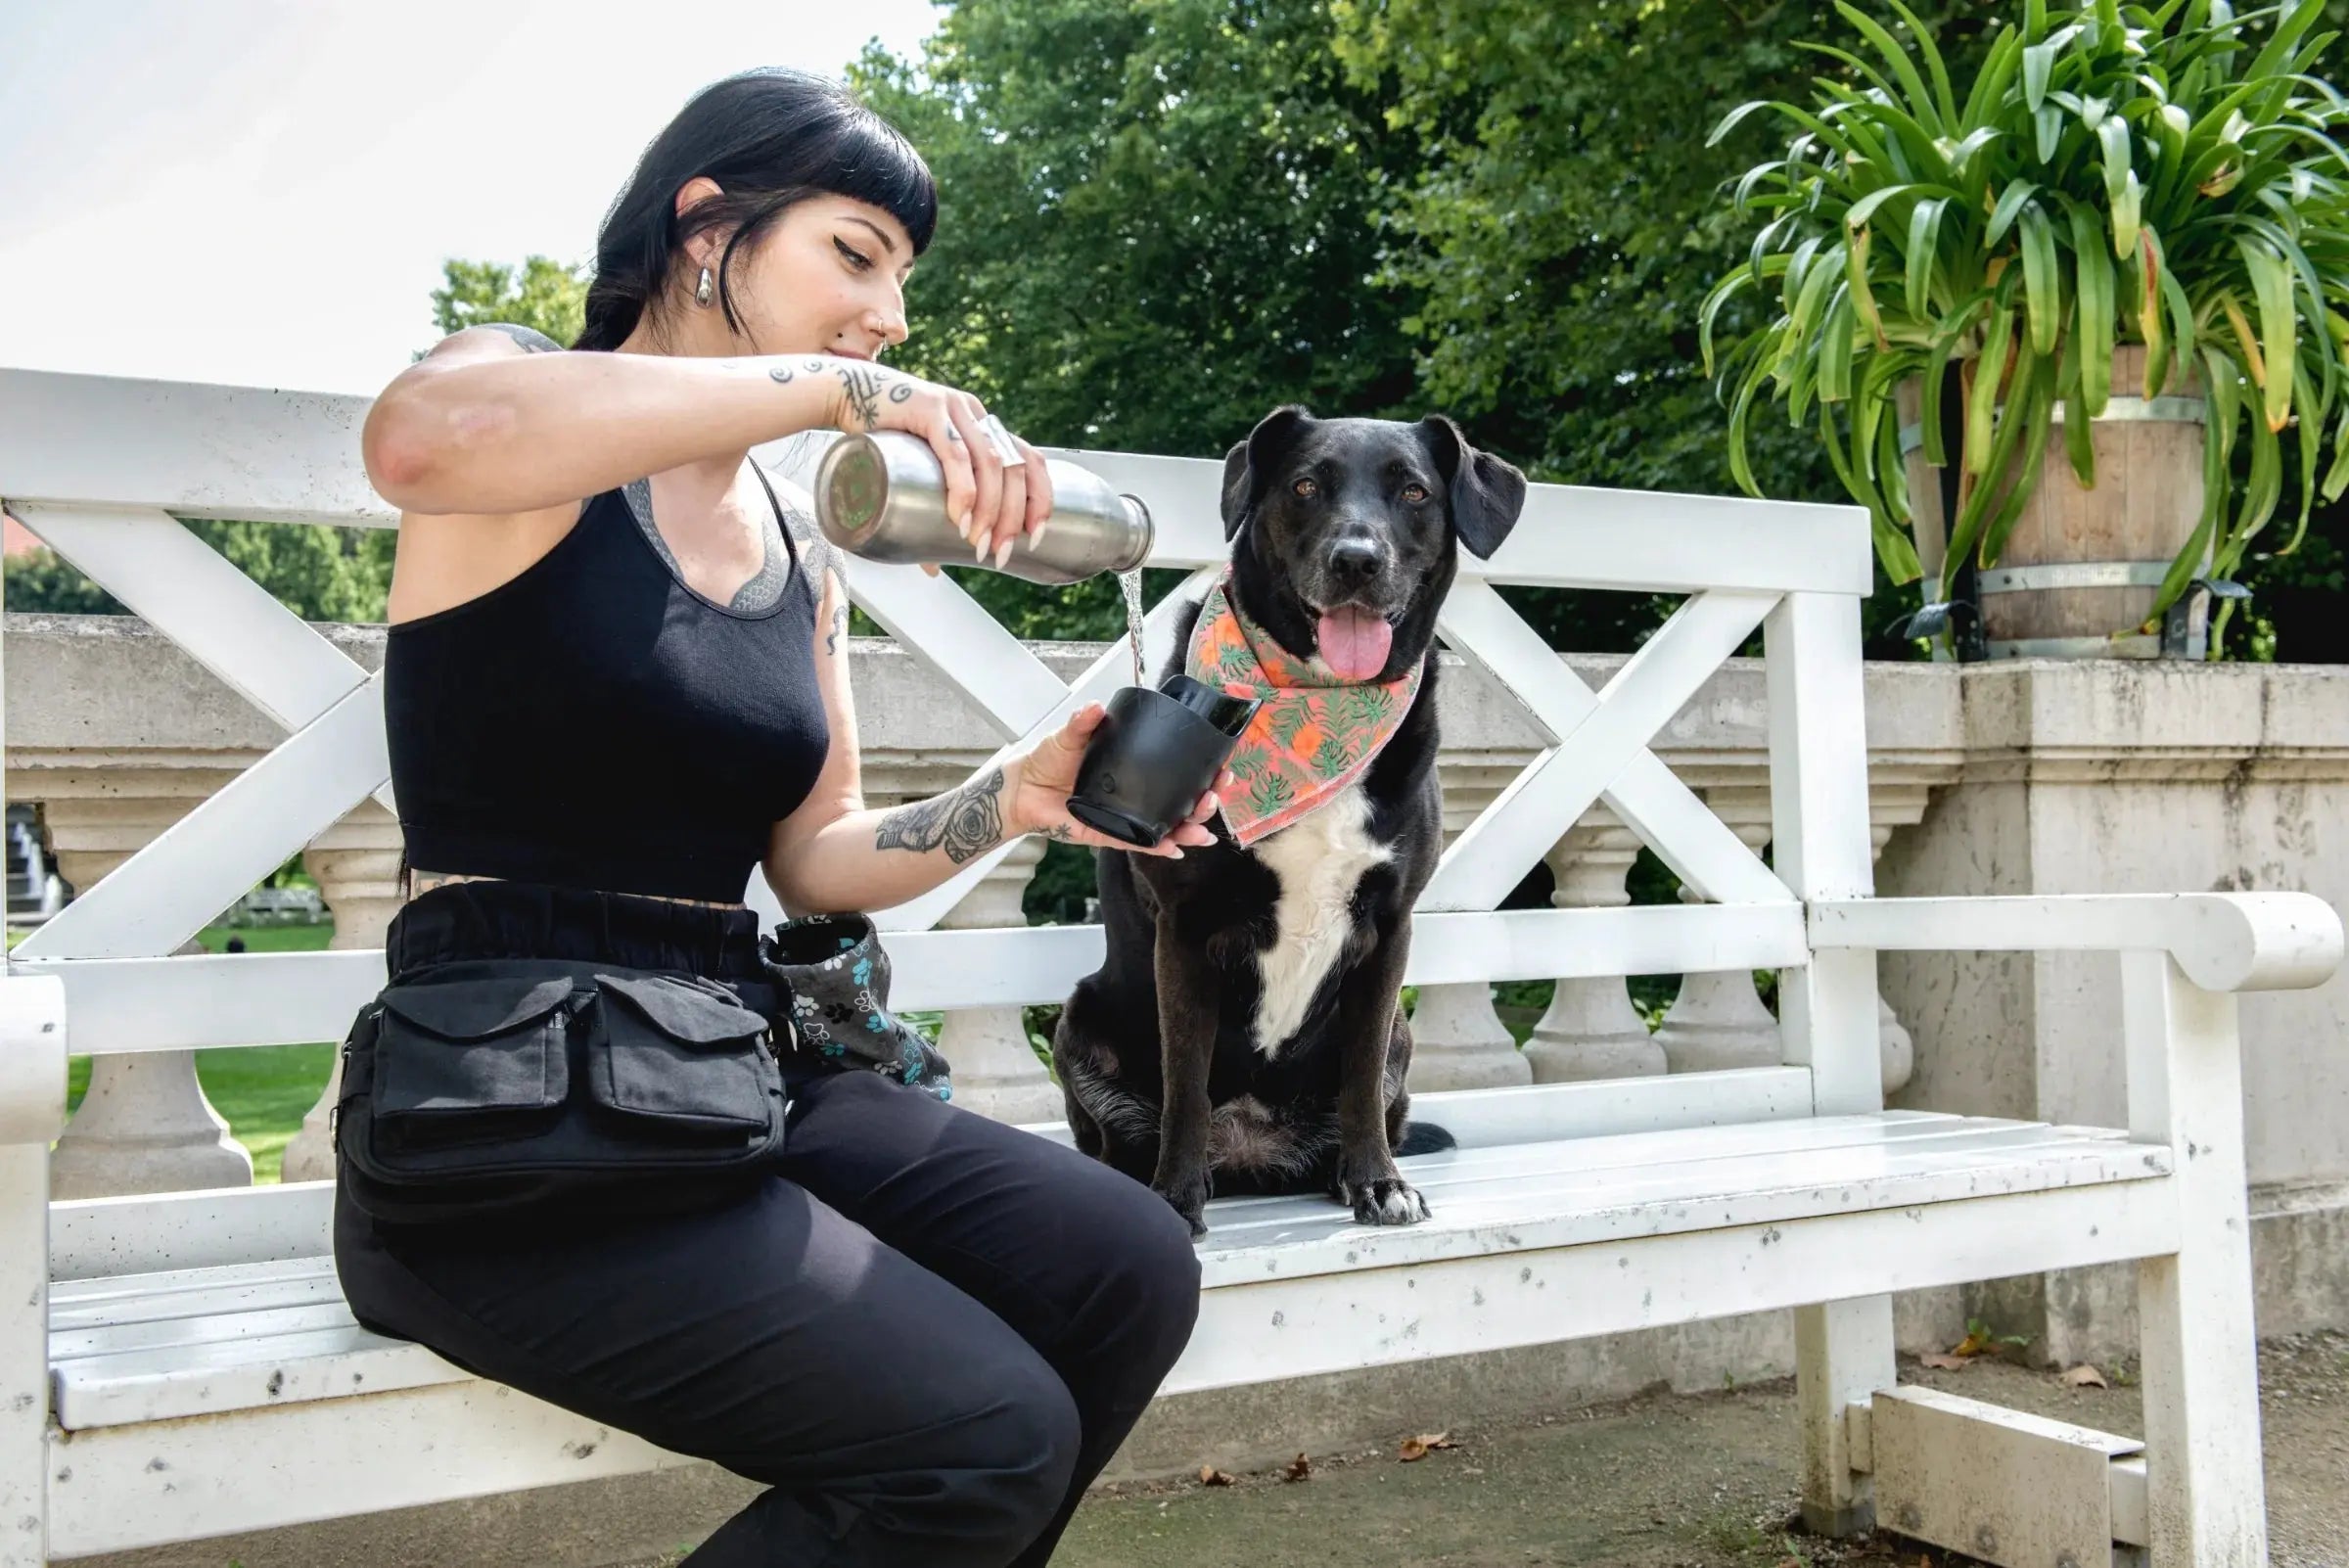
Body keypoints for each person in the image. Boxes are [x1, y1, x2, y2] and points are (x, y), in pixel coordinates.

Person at [343, 68, 1219, 1568]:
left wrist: (1012, 797)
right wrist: (840, 394)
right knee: (987, 1440)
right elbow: (417, 441)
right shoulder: (522, 418)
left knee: (1127, 1265)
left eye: (899, 288)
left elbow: (812, 859)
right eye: (855, 255)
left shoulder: (795, 558)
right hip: (509, 1114)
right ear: (708, 223)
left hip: (726, 1072)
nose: (886, 318)